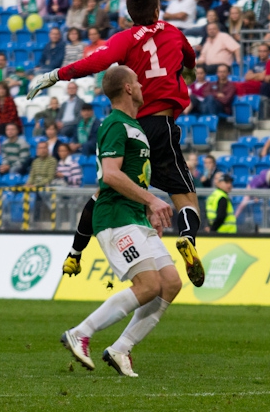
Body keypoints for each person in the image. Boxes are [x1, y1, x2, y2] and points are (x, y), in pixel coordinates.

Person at [30, 0, 205, 287]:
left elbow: (95, 63)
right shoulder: (173, 32)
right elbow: (190, 60)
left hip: (132, 127)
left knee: (105, 191)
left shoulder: (123, 39)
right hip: (161, 125)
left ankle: (75, 252)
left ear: (128, 14)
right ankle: (188, 239)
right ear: (157, 9)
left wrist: (55, 75)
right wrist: (182, 71)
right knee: (186, 198)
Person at [60, 64, 180, 378]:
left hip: (135, 215)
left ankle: (120, 348)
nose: (142, 85)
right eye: (137, 81)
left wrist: (149, 209)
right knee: (148, 285)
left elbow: (132, 177)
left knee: (170, 283)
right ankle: (81, 332)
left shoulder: (132, 125)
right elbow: (110, 175)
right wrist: (153, 199)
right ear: (128, 88)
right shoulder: (116, 124)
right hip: (115, 217)